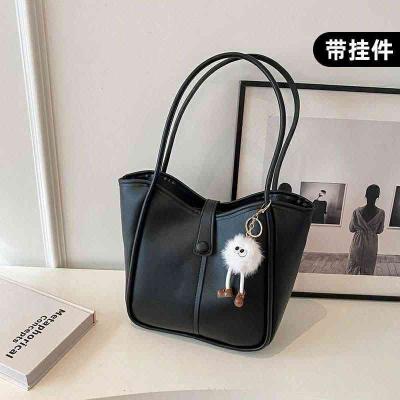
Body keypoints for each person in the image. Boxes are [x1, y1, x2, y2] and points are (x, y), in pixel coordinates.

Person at [346, 184, 385, 275]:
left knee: (352, 268)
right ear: (378, 196)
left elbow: (351, 229)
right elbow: (380, 230)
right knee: (368, 269)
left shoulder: (357, 211)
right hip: (371, 244)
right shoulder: (381, 213)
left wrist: (361, 228)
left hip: (358, 243)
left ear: (366, 195)